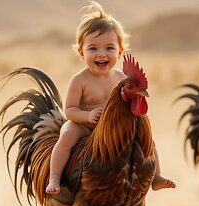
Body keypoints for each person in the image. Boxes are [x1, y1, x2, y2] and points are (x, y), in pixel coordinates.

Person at [46, 1, 176, 194]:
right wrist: (87, 117)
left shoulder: (121, 78)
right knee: (66, 137)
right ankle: (54, 178)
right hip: (85, 126)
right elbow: (70, 110)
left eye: (109, 48)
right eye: (93, 49)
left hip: (113, 129)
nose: (101, 54)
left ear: (120, 51)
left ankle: (156, 176)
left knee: (149, 139)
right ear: (82, 53)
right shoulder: (79, 80)